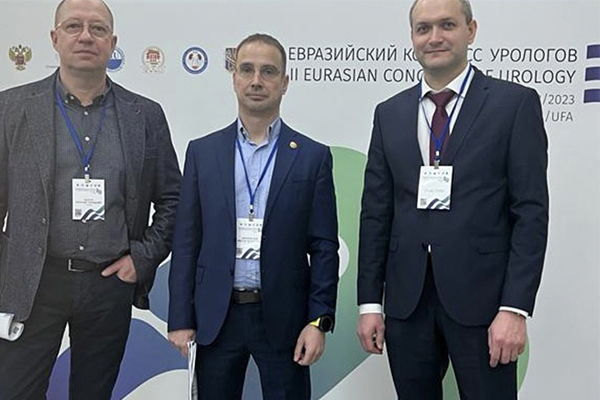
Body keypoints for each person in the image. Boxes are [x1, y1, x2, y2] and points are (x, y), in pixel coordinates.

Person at [356, 0, 549, 399]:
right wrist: (370, 303)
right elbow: (376, 214)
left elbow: (530, 212)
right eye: (423, 28)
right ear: (412, 37)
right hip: (407, 304)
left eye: (447, 25)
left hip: (484, 304)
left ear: (470, 30)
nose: (435, 37)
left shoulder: (513, 105)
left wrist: (514, 308)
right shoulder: (388, 113)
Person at [0, 0, 181, 398]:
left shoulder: (145, 115)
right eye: (74, 26)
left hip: (107, 285)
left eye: (98, 29)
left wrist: (142, 257)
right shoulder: (10, 108)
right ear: (55, 38)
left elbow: (173, 200)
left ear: (112, 43)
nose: (86, 36)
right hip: (33, 284)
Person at [168, 33, 339, 400]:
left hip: (285, 319)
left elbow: (324, 247)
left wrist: (317, 321)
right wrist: (180, 318)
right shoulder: (202, 152)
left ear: (285, 82)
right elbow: (186, 242)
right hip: (217, 317)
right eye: (246, 70)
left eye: (268, 71)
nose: (256, 80)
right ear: (234, 78)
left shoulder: (312, 157)